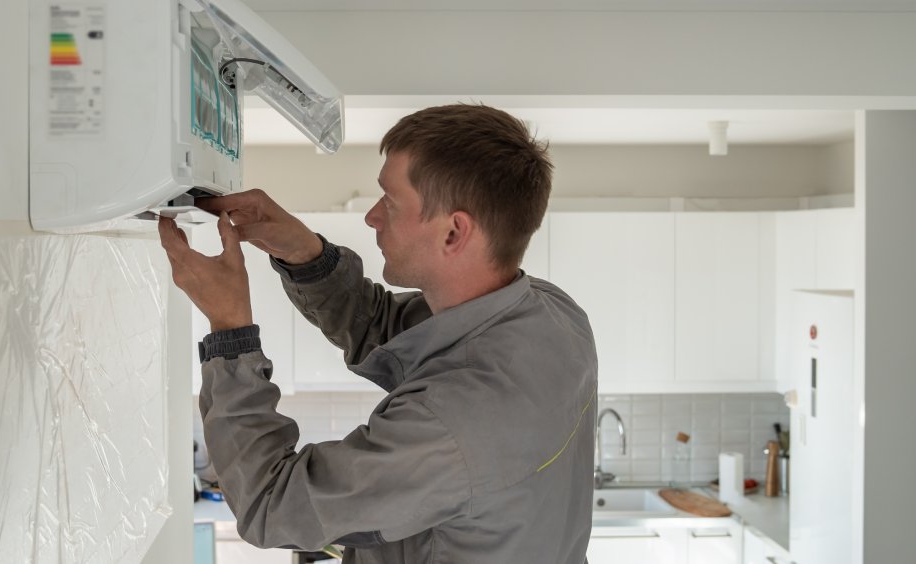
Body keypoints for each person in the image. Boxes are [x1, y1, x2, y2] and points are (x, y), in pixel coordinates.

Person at [158, 104, 598, 563]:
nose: (372, 216)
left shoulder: (454, 425)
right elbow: (384, 329)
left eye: (389, 201)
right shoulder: (553, 316)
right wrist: (306, 255)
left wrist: (230, 331)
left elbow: (273, 505)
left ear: (453, 232)